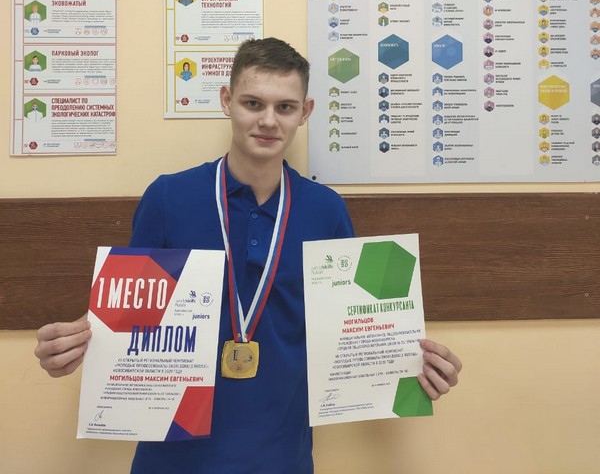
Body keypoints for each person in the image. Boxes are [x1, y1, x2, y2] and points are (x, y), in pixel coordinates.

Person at [34, 38, 462, 474]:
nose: (268, 120)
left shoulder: (326, 210)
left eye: (285, 107)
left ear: (305, 112)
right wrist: (73, 347)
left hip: (282, 457)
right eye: (253, 103)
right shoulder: (167, 198)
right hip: (173, 456)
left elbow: (349, 331)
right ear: (227, 101)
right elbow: (128, 319)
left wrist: (413, 365)